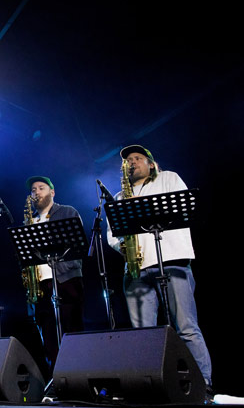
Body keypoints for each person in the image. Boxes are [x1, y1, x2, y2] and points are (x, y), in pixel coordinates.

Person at [106, 145, 213, 392]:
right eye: (128, 160)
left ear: (151, 164)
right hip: (136, 269)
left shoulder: (169, 178)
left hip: (172, 261)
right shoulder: (120, 197)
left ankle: (203, 383)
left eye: (138, 158)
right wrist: (123, 246)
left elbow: (185, 208)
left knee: (186, 327)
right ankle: (150, 385)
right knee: (143, 335)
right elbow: (111, 234)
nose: (132, 162)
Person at [25, 176, 85, 379]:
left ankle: (78, 379)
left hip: (66, 281)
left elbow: (77, 248)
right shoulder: (30, 220)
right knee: (49, 339)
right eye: (33, 190)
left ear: (52, 192)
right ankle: (56, 381)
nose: (36, 192)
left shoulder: (67, 212)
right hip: (41, 286)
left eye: (41, 188)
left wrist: (59, 267)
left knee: (72, 334)